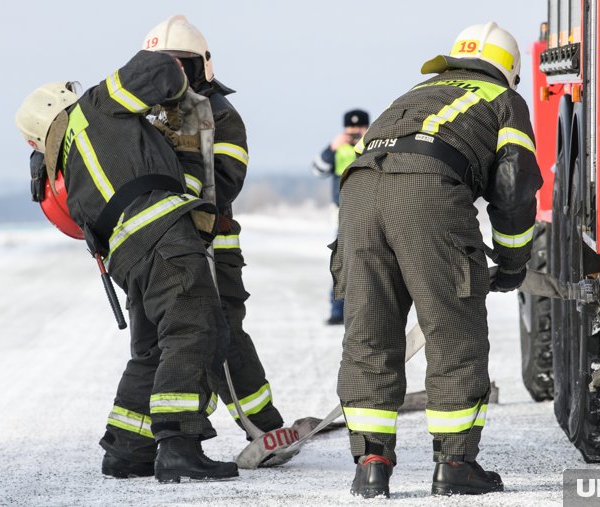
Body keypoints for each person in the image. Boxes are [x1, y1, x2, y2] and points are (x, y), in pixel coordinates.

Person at [332, 22, 543, 498]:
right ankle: (455, 464)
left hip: (359, 193)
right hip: (427, 192)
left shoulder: (418, 89)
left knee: (370, 331)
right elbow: (513, 187)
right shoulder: (502, 99)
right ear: (509, 68)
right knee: (454, 331)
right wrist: (511, 262)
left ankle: (370, 464)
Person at [15, 50, 238, 482]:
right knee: (195, 328)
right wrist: (176, 99)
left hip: (127, 258)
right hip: (164, 235)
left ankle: (127, 450)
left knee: (155, 349)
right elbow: (156, 68)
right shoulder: (96, 105)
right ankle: (178, 445)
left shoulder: (65, 162)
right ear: (64, 101)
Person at [139, 16, 293, 469]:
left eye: (178, 66)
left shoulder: (218, 115)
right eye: (157, 67)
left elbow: (222, 182)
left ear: (201, 67)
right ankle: (141, 442)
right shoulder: (143, 117)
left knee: (222, 337)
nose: (168, 77)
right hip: (157, 251)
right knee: (165, 343)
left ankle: (265, 428)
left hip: (210, 248)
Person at [311, 110, 369, 325]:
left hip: (369, 210)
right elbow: (317, 170)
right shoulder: (337, 147)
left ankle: (366, 312)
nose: (355, 132)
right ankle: (338, 311)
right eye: (351, 129)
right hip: (344, 213)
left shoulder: (372, 143)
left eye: (359, 128)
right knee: (342, 263)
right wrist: (332, 148)